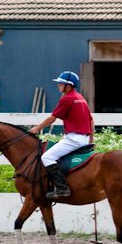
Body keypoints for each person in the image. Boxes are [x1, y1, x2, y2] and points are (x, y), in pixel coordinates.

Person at [31, 71, 94, 200]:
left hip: (74, 139)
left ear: (69, 86)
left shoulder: (67, 98)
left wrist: (36, 129)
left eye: (61, 83)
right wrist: (90, 141)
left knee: (47, 157)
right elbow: (91, 121)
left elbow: (52, 118)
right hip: (83, 138)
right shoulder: (81, 98)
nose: (58, 85)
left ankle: (62, 188)